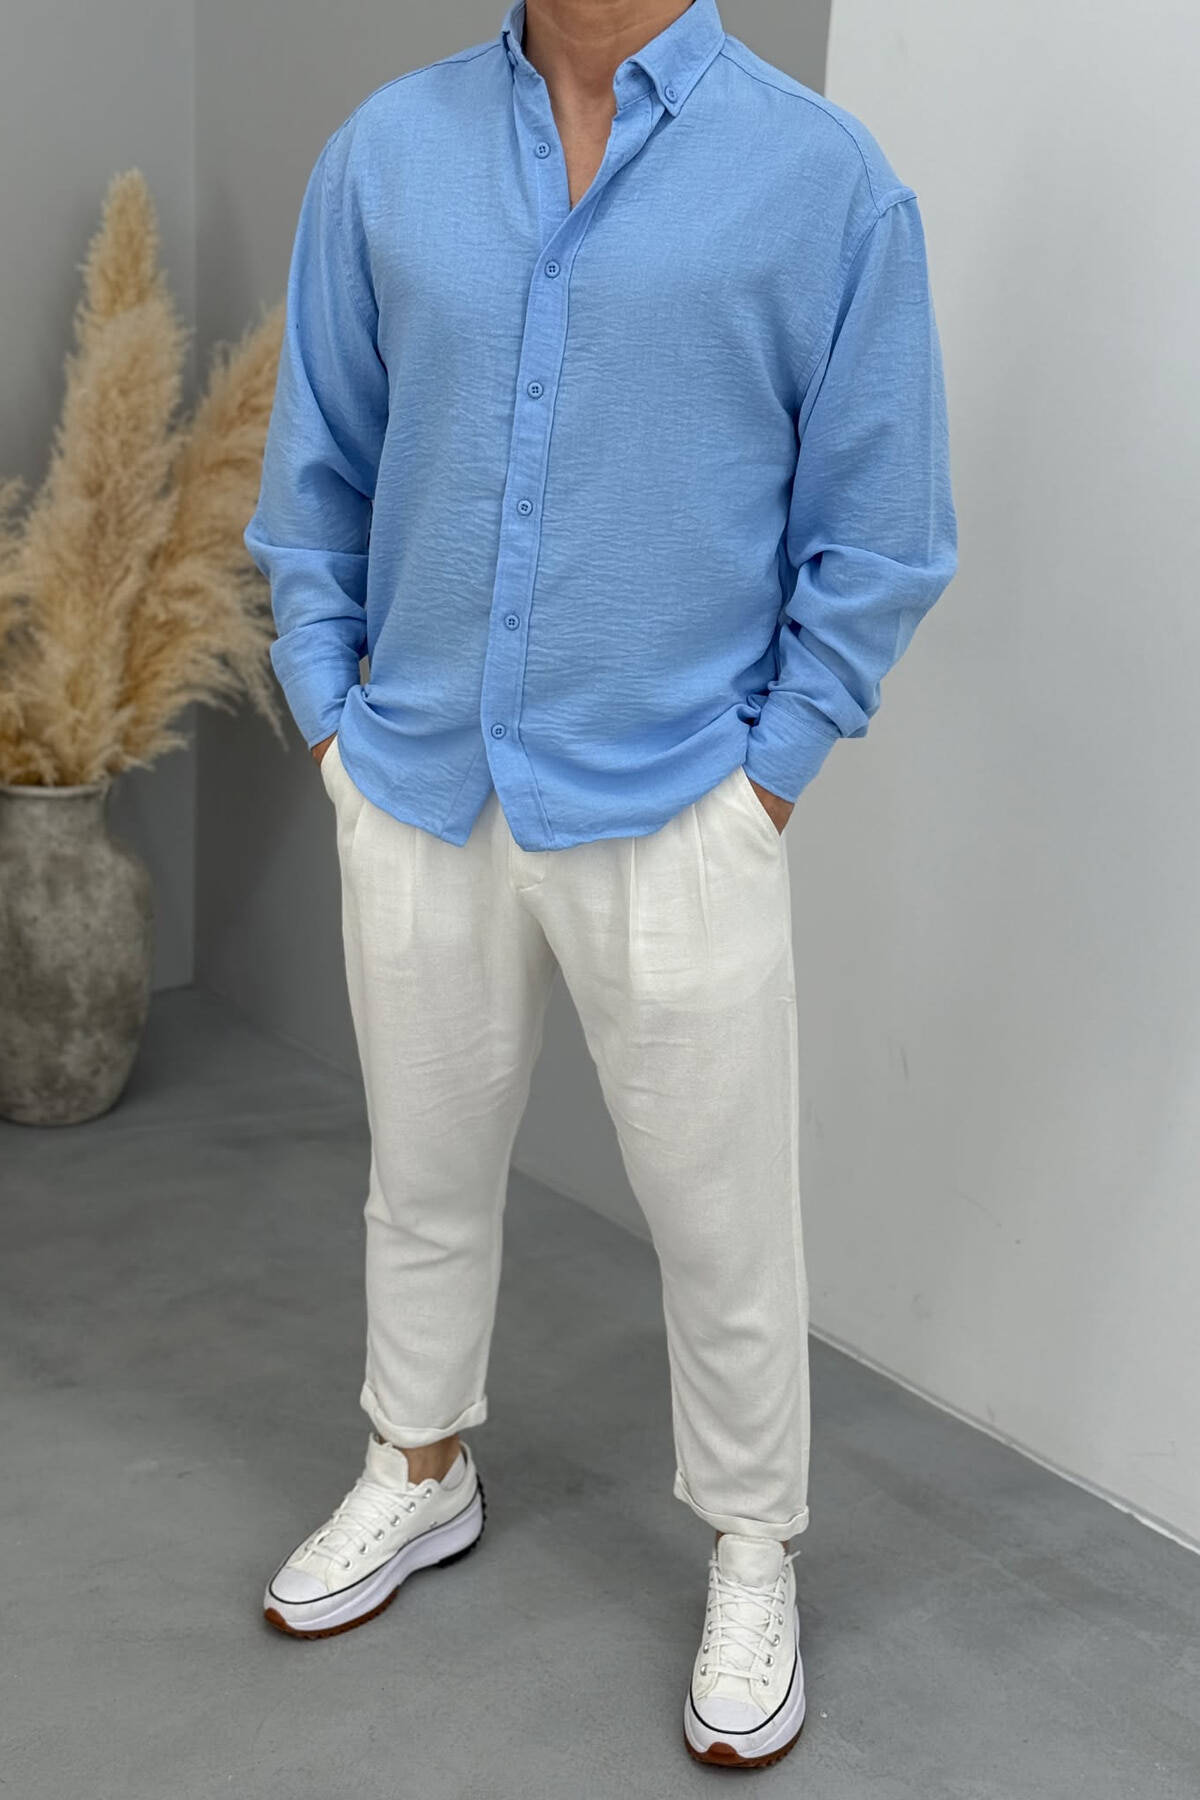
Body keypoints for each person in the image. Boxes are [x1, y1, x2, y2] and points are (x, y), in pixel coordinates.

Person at [243, 0, 956, 1769]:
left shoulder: (823, 180)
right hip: (418, 780)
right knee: (421, 1178)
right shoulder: (386, 153)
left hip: (677, 803)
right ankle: (419, 1465)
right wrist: (329, 719)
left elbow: (883, 528)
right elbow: (316, 465)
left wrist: (762, 785)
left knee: (726, 1225)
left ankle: (752, 1550)